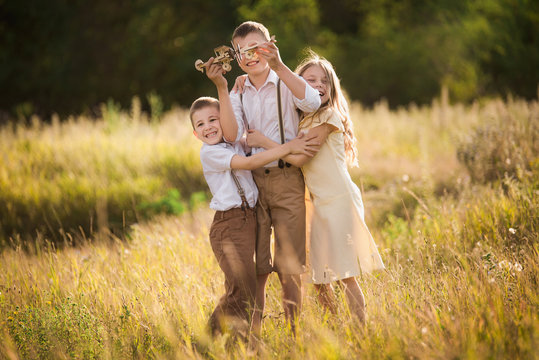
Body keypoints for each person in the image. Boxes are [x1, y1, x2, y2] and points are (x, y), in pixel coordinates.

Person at [202, 21, 323, 336]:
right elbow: (231, 134)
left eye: (255, 47)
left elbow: (312, 101)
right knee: (258, 267)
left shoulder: (285, 81)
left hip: (287, 182)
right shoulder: (239, 92)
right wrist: (223, 89)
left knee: (290, 265)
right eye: (241, 51)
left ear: (269, 45)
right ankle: (252, 334)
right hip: (253, 185)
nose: (248, 56)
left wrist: (280, 65)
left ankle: (294, 331)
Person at [245, 51, 385, 322]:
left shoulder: (329, 116)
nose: (319, 85)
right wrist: (243, 79)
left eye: (325, 81)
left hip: (338, 200)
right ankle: (333, 325)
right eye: (311, 80)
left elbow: (298, 157)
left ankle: (360, 331)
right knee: (321, 277)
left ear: (332, 88)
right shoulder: (304, 118)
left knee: (346, 275)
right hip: (319, 203)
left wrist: (264, 142)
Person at [189, 96, 318, 338]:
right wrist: (287, 148)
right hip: (229, 224)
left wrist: (234, 95)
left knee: (243, 289)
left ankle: (236, 343)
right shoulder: (210, 153)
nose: (208, 127)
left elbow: (243, 132)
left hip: (247, 220)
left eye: (213, 120)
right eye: (201, 124)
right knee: (242, 289)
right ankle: (206, 340)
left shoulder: (234, 143)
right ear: (195, 133)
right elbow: (249, 163)